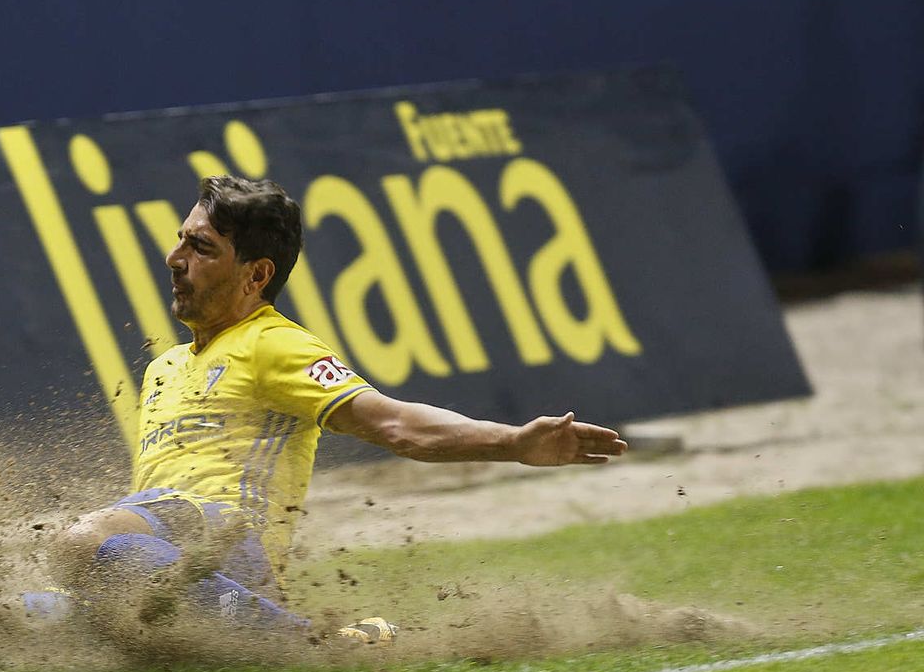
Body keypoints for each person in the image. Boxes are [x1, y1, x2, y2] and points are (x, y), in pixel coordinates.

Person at [50, 175, 628, 642]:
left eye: (201, 248)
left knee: (79, 541)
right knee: (19, 615)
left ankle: (316, 645)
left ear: (256, 274)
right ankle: (242, 630)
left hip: (225, 540)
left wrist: (510, 443)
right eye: (181, 239)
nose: (175, 258)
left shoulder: (274, 344)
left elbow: (393, 422)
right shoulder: (164, 367)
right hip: (165, 545)